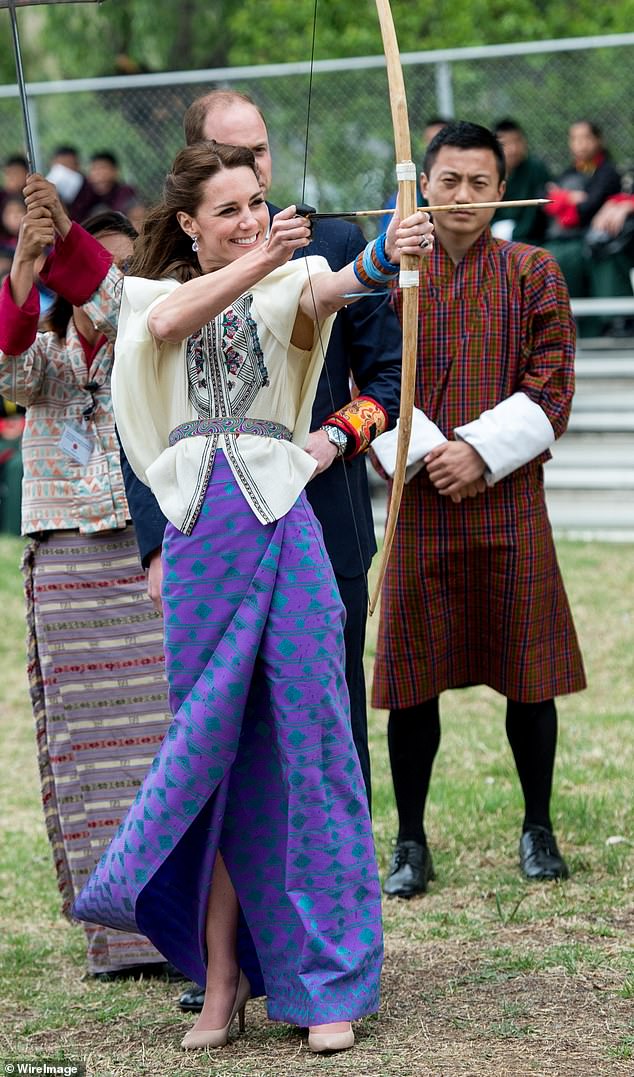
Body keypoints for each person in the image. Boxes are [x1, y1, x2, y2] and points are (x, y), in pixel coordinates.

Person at [49, 141, 432, 1052]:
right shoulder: (153, 296)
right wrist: (259, 259)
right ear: (188, 223)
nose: (252, 219)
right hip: (199, 538)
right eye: (229, 208)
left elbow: (341, 284)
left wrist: (393, 249)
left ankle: (328, 980)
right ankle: (221, 979)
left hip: (284, 524)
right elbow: (168, 319)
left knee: (314, 743)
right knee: (215, 752)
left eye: (258, 202)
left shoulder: (287, 279)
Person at [127, 89, 402, 815]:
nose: (256, 178)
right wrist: (155, 545)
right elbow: (147, 410)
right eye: (237, 159)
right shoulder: (160, 287)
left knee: (325, 712)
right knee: (218, 719)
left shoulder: (325, 243)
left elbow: (387, 378)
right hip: (208, 527)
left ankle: (337, 882)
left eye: (262, 153)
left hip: (320, 511)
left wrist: (334, 437)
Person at [371, 121, 586, 900]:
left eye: (480, 183)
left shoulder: (533, 268)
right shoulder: (391, 273)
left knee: (529, 674)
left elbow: (552, 385)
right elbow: (374, 381)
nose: (463, 197)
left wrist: (479, 454)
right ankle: (410, 838)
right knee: (411, 679)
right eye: (449, 181)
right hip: (420, 499)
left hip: (508, 496)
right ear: (422, 185)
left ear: (504, 190)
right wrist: (434, 455)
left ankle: (538, 826)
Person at [0, 193, 179, 980]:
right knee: (89, 754)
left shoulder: (157, 334)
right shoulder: (45, 350)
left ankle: (181, 921)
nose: (110, 277)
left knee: (165, 743)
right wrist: (23, 271)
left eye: (122, 264)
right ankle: (116, 934)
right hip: (69, 564)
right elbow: (9, 366)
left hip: (152, 556)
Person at [544, 120, 621, 303]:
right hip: (562, 238)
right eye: (575, 139)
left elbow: (588, 206)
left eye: (586, 138)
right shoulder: (571, 171)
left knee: (560, 260)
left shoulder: (607, 171)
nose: (580, 144)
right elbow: (545, 196)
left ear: (598, 140)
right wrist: (568, 197)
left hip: (587, 239)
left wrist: (561, 198)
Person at [492, 118, 551, 245]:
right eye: (506, 143)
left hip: (530, 235)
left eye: (517, 141)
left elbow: (536, 213)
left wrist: (517, 234)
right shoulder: (489, 171)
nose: (513, 149)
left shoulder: (536, 168)